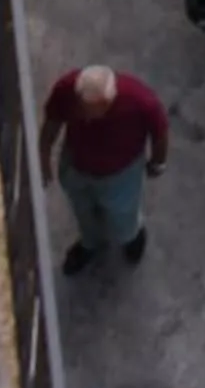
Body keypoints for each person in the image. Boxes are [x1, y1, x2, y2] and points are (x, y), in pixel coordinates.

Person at [37, 62, 169, 276]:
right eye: (81, 107)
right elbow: (52, 121)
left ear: (109, 100)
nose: (86, 116)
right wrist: (43, 157)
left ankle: (131, 235)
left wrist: (157, 163)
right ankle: (90, 243)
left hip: (120, 174)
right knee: (82, 209)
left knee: (122, 214)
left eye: (92, 110)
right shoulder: (66, 89)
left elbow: (160, 133)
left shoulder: (141, 101)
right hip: (76, 165)